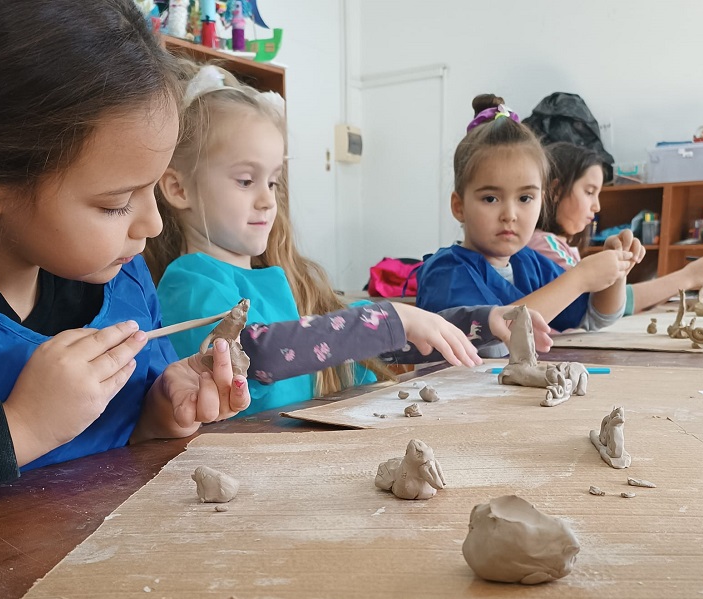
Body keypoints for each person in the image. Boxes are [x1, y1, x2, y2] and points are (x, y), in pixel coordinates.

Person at [0, 0, 251, 522]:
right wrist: (18, 428)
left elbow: (126, 429)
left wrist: (159, 412)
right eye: (116, 203)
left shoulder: (117, 265)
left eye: (152, 186)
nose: (152, 225)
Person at [144, 66, 553, 416]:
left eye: (273, 182)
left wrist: (480, 322)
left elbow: (352, 341)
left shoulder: (274, 283)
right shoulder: (189, 283)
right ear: (179, 189)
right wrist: (391, 319)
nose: (268, 200)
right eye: (246, 180)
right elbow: (258, 353)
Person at [417, 94, 645, 333]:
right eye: (490, 198)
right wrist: (579, 279)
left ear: (542, 201)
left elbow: (594, 318)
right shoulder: (446, 273)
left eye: (525, 198)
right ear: (459, 207)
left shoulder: (530, 264)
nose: (510, 215)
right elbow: (491, 339)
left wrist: (617, 269)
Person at [530, 142, 703, 314]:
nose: (597, 206)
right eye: (589, 192)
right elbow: (596, 307)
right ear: (556, 191)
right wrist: (687, 277)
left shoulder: (557, 245)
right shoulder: (543, 245)